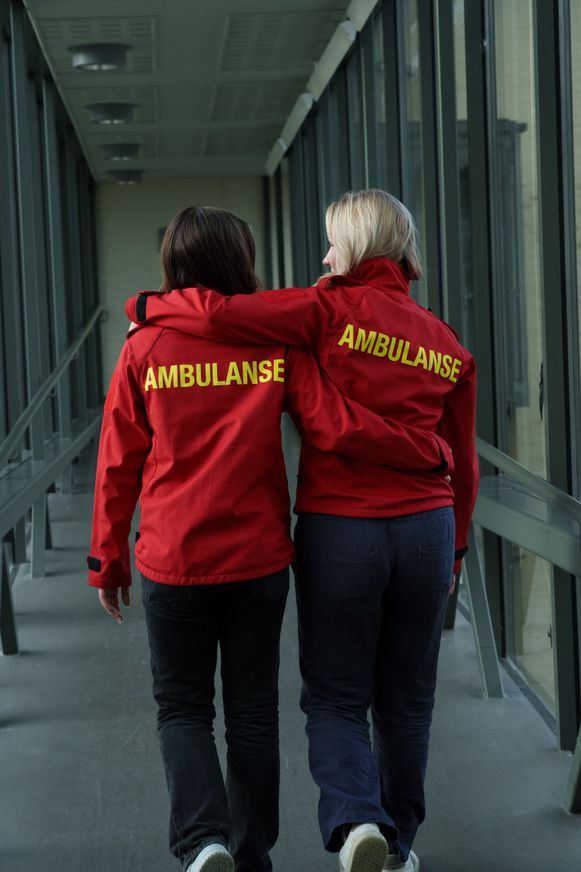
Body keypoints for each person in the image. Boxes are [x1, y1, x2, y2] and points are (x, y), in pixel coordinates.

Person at [88, 205, 456, 872]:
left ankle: (202, 842)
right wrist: (426, 452)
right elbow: (330, 420)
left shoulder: (143, 348)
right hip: (259, 559)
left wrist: (106, 560)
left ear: (172, 263)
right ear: (243, 261)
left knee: (182, 708)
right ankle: (252, 852)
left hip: (173, 557)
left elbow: (118, 462)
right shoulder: (275, 350)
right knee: (254, 712)